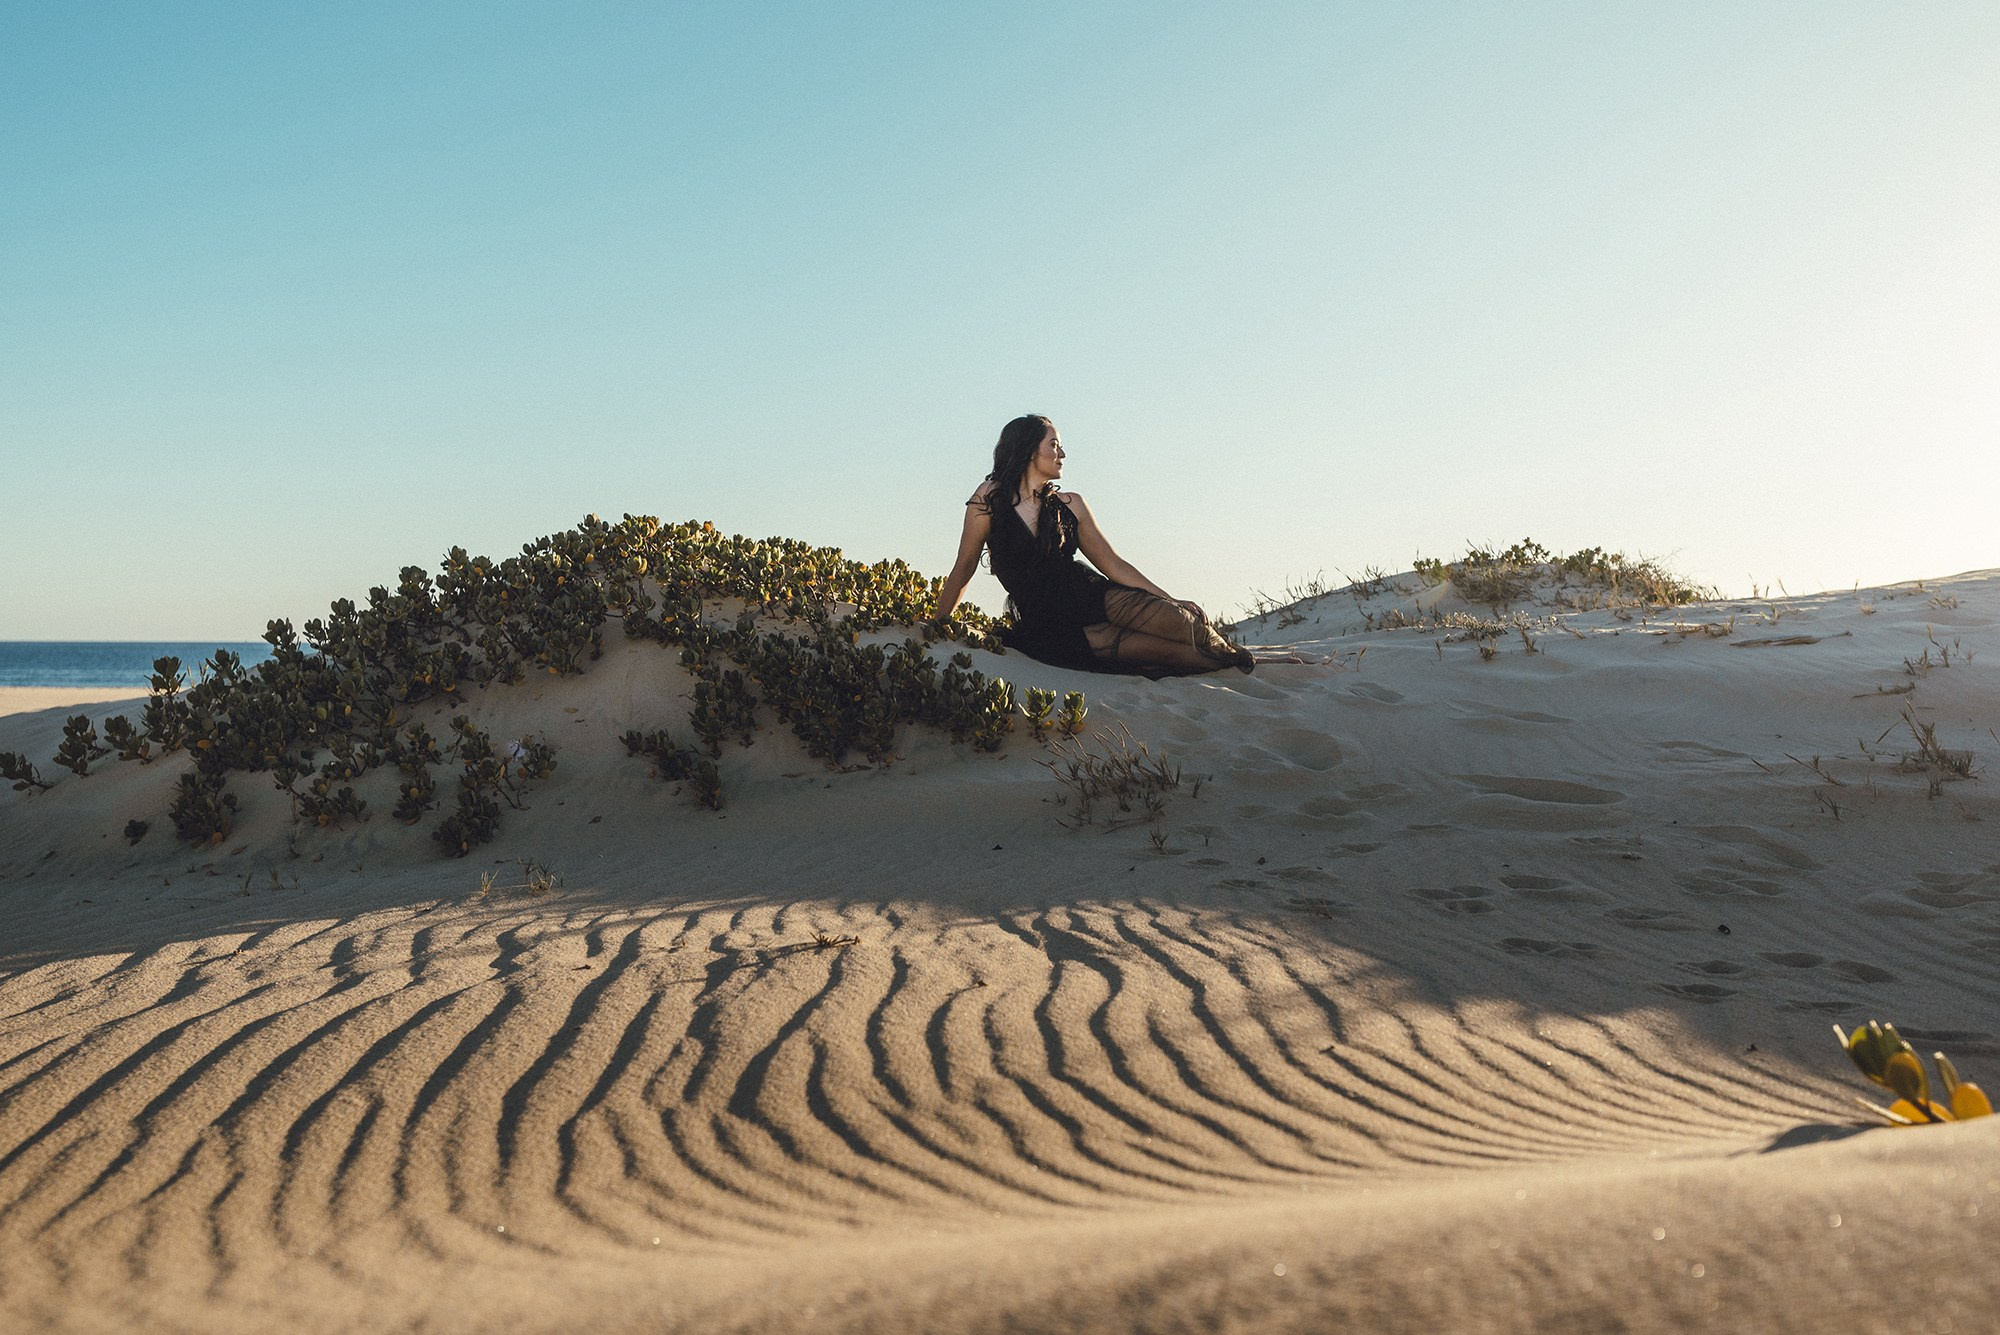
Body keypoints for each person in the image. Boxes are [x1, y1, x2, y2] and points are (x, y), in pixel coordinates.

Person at [930, 415, 1256, 676]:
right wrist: (937, 624)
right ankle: (1238, 665)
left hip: (1092, 595)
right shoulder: (989, 497)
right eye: (1054, 444)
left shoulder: (1071, 504)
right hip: (1051, 624)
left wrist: (1168, 600)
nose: (1062, 454)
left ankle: (1237, 655)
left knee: (1184, 620)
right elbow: (965, 565)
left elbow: (1113, 565)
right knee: (1173, 652)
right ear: (1030, 450)